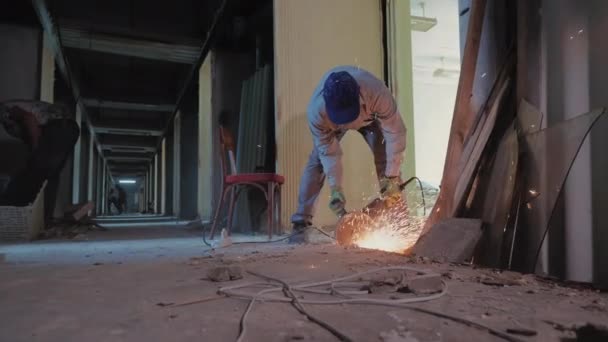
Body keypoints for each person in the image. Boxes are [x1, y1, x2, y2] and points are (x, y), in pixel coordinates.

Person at [289, 66, 407, 243]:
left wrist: (392, 176)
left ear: (359, 95)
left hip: (371, 119)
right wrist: (336, 188)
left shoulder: (377, 93)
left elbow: (395, 134)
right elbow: (329, 154)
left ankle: (399, 220)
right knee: (317, 163)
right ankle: (300, 224)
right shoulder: (317, 113)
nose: (349, 122)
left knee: (386, 160)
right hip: (331, 125)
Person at [0, 100, 79, 222]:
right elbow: (30, 133)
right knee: (50, 174)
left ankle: (10, 209)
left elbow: (29, 119)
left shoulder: (6, 110)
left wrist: (36, 150)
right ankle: (44, 218)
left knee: (38, 168)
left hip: (58, 128)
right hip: (66, 129)